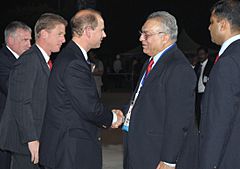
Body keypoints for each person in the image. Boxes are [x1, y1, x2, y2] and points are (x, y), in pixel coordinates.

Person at [39, 9, 124, 169]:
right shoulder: (74, 62)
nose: (104, 35)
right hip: (70, 150)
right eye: (101, 30)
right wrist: (113, 118)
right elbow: (89, 107)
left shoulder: (71, 57)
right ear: (88, 31)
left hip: (68, 146)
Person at [122, 11, 197, 169]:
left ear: (165, 37)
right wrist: (125, 113)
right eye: (141, 33)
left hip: (156, 154)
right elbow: (145, 100)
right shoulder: (151, 62)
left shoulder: (178, 68)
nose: (141, 38)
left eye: (147, 34)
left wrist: (169, 160)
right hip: (142, 149)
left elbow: (178, 120)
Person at [0, 13, 67, 169]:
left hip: (36, 139)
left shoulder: (40, 60)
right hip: (26, 142)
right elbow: (21, 103)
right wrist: (31, 138)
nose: (63, 39)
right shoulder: (29, 61)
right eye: (60, 34)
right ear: (43, 34)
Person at [199, 0, 240, 169]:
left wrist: (209, 163)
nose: (209, 27)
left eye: (211, 22)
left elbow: (219, 121)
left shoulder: (228, 62)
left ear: (223, 25)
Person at [0, 21, 32, 169]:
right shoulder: (2, 60)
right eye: (25, 40)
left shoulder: (24, 60)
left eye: (30, 40)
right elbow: (12, 88)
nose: (29, 44)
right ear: (10, 41)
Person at [194, 46, 214, 129]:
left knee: (207, 112)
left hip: (207, 93)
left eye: (202, 54)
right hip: (198, 93)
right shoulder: (197, 65)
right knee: (198, 112)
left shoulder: (211, 65)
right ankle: (199, 129)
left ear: (206, 55)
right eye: (199, 54)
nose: (200, 56)